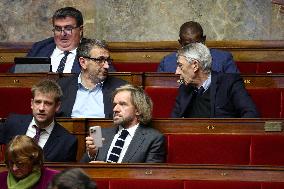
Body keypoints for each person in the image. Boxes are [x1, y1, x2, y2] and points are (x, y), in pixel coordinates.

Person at [81, 84, 165, 163]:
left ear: (138, 110)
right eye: (115, 104)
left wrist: (108, 169)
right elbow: (80, 170)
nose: (115, 109)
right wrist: (91, 154)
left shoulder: (153, 139)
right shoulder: (102, 134)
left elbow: (150, 174)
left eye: (122, 104)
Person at [171, 43, 259, 118]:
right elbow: (174, 123)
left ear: (195, 65)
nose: (176, 72)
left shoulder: (230, 83)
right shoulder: (184, 88)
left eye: (180, 66)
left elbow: (251, 114)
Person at [0, 79, 77, 162]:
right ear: (32, 103)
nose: (41, 108)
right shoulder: (13, 123)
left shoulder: (67, 141)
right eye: (38, 102)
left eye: (48, 103)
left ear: (57, 106)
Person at [25, 7, 115, 73]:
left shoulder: (94, 50)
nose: (62, 33)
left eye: (68, 28)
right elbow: (14, 76)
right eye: (58, 29)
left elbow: (111, 79)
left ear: (80, 30)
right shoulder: (40, 48)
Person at [57, 38, 127, 118]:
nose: (107, 66)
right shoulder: (60, 87)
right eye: (100, 60)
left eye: (107, 60)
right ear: (83, 62)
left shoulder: (121, 88)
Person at [157, 21, 239, 73]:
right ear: (180, 43)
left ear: (203, 40)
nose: (193, 49)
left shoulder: (223, 59)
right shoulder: (167, 63)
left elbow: (234, 88)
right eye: (187, 45)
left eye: (196, 43)